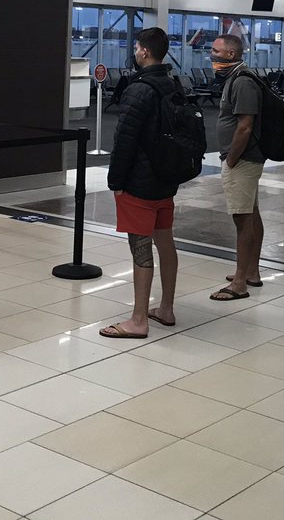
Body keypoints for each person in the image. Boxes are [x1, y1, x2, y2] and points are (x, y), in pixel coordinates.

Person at [101, 28, 182, 338]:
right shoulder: (173, 85)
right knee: (166, 241)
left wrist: (116, 181)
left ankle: (138, 320)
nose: (134, 52)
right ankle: (166, 308)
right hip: (166, 179)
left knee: (141, 247)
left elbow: (125, 141)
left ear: (145, 52)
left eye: (136, 47)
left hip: (140, 182)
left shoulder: (139, 89)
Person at [211, 34, 265, 300]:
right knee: (251, 213)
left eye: (215, 50)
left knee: (242, 219)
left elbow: (245, 125)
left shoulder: (242, 81)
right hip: (244, 158)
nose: (211, 55)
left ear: (230, 55)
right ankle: (251, 271)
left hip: (242, 159)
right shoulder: (237, 78)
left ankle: (240, 282)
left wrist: (231, 158)